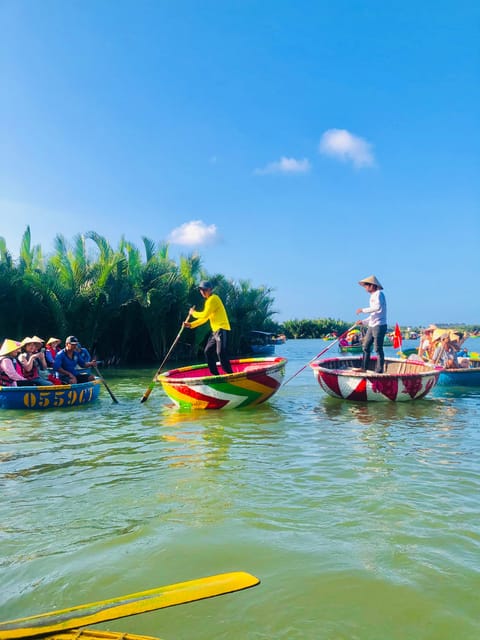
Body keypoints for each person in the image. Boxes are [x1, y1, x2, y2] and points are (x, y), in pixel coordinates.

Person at [184, 280, 233, 376]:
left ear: (210, 289)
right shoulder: (208, 302)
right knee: (207, 351)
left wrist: (193, 313)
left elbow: (204, 314)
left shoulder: (214, 299)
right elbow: (205, 318)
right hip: (215, 332)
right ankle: (215, 375)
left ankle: (230, 374)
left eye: (204, 289)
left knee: (220, 352)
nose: (202, 291)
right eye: (201, 290)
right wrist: (191, 325)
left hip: (221, 329)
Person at [356, 274, 387, 373]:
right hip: (372, 325)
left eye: (366, 285)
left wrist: (362, 310)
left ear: (372, 285)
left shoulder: (379, 294)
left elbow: (377, 308)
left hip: (379, 325)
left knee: (378, 349)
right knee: (365, 346)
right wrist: (363, 322)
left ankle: (379, 370)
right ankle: (364, 368)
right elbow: (373, 315)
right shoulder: (372, 296)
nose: (365, 288)